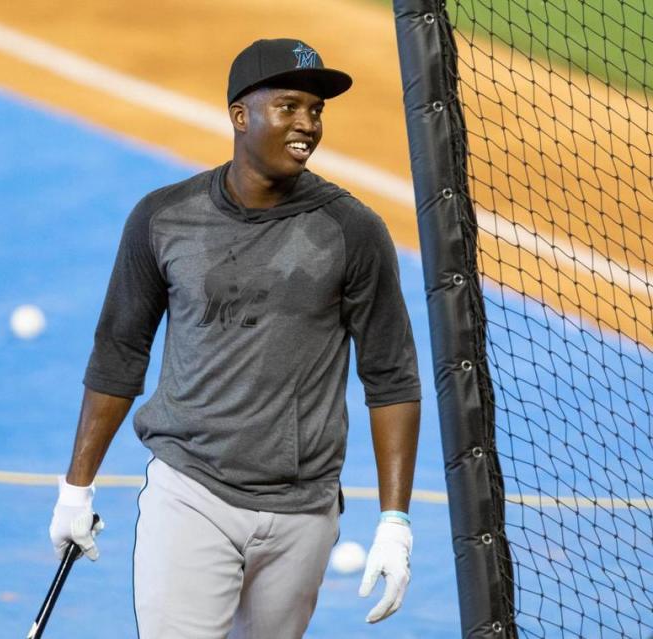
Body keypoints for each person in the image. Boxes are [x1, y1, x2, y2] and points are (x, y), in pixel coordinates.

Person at [48, 38, 421, 639]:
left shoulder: (353, 230)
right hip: (191, 492)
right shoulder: (164, 218)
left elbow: (392, 377)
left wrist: (395, 522)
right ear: (240, 115)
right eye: (291, 107)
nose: (308, 125)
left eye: (317, 111)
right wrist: (75, 488)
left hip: (304, 511)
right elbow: (120, 352)